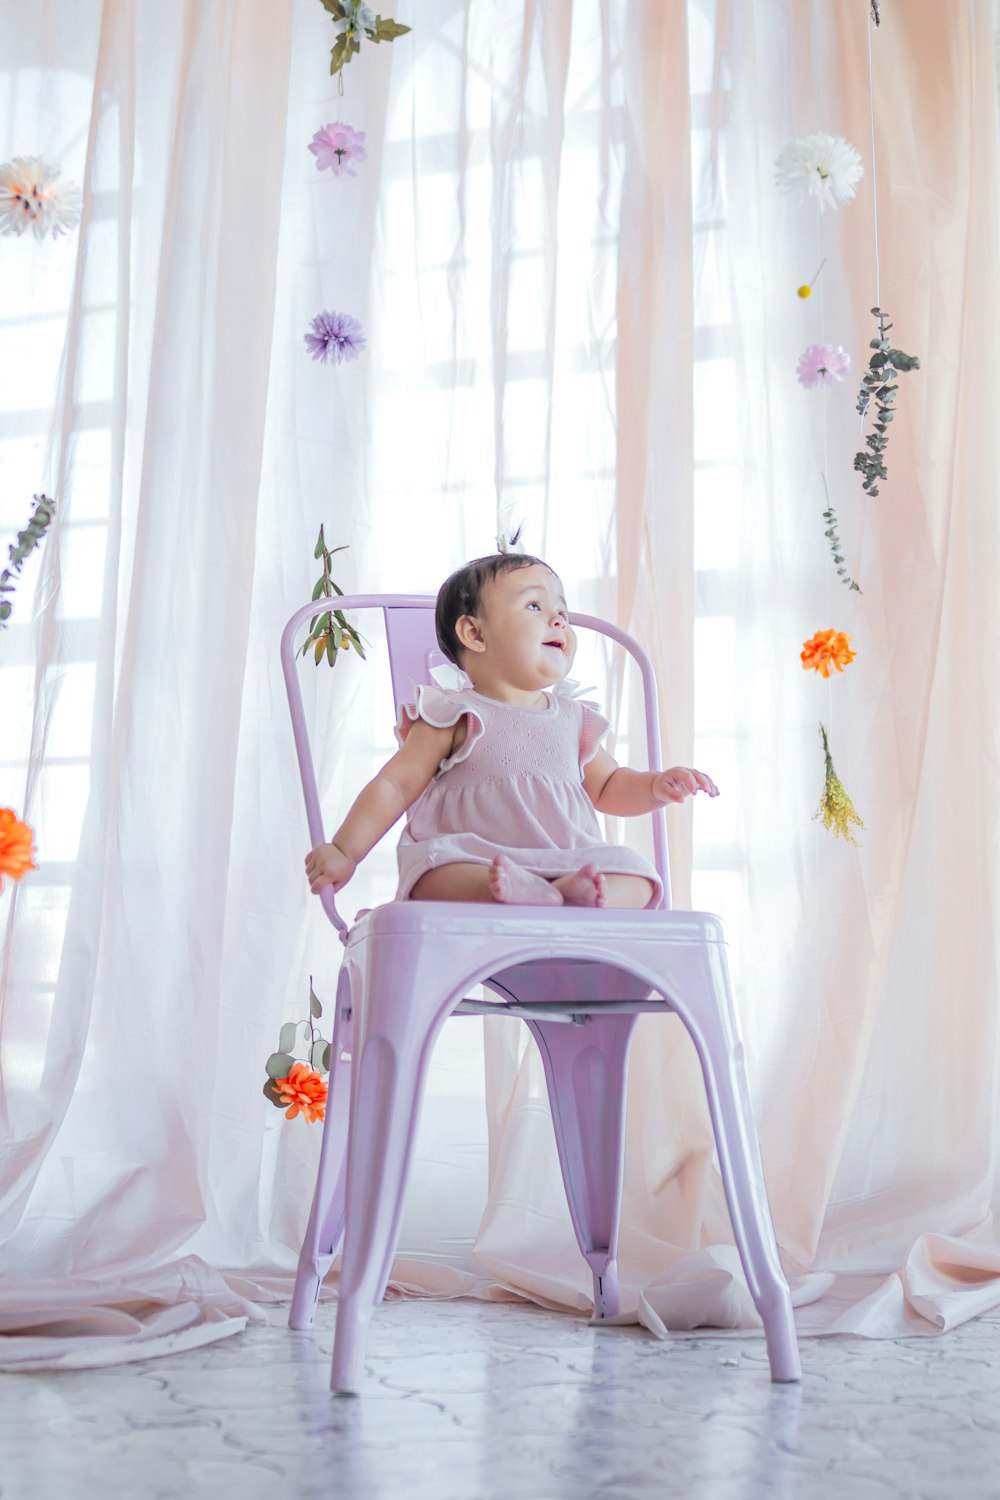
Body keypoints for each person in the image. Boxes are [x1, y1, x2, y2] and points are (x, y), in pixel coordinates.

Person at [305, 549, 718, 910]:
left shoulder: (573, 718)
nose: (558, 619)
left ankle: (572, 895)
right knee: (433, 875)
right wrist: (345, 850)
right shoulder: (454, 713)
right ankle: (516, 891)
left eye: (563, 611)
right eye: (535, 607)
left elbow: (609, 785)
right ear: (474, 633)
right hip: (476, 860)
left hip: (565, 861)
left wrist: (655, 786)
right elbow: (395, 786)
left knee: (640, 875)